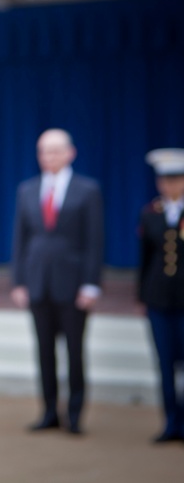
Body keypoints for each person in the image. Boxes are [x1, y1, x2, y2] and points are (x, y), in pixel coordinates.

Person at [11, 128, 104, 436]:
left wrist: (91, 284)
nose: (48, 157)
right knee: (44, 352)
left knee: (74, 352)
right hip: (38, 283)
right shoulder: (27, 189)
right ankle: (49, 410)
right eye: (43, 151)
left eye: (54, 151)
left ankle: (75, 413)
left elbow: (94, 241)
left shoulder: (87, 190)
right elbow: (20, 240)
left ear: (69, 153)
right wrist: (19, 282)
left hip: (72, 283)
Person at [137, 148, 184, 445]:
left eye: (176, 179)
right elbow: (145, 259)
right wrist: (142, 296)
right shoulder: (150, 212)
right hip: (158, 300)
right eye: (164, 180)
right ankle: (171, 421)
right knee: (165, 363)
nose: (169, 186)